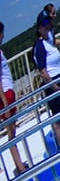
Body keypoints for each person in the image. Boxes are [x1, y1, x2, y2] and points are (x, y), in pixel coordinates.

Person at [32, 14, 60, 148]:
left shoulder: (49, 42)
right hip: (53, 85)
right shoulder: (40, 46)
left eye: (48, 23)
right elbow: (43, 72)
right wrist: (56, 87)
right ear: (39, 29)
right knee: (58, 122)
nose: (47, 26)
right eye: (44, 24)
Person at [0, 23, 27, 173]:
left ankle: (19, 164)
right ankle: (19, 166)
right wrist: (5, 104)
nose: (3, 36)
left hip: (8, 93)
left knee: (13, 130)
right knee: (11, 132)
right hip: (5, 95)